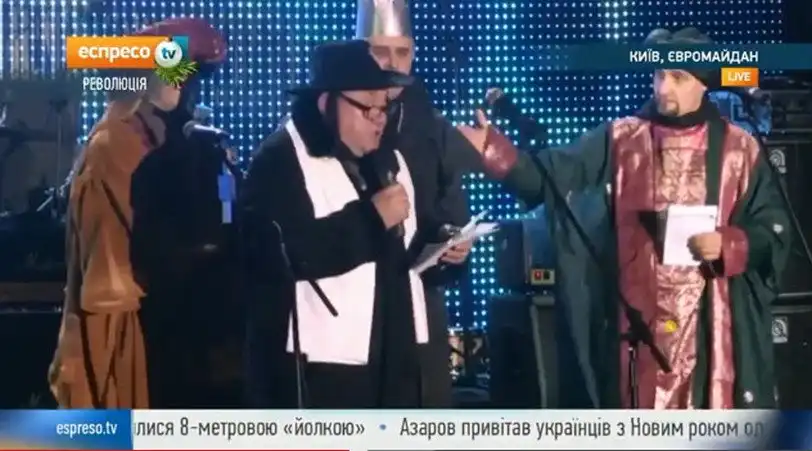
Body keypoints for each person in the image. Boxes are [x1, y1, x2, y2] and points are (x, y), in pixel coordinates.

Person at [456, 27, 791, 409]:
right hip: (638, 337)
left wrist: (728, 244)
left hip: (713, 335)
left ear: (703, 83)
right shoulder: (621, 140)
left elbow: (774, 231)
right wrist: (493, 151)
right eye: (659, 74)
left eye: (678, 77)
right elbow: (549, 179)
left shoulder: (740, 151)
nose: (664, 87)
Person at [243, 40, 467, 408]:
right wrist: (370, 219)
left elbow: (414, 244)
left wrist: (445, 247)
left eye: (384, 107)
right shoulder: (280, 159)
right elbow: (275, 258)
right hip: (324, 373)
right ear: (326, 103)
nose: (379, 118)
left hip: (398, 361)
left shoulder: (390, 160)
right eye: (367, 108)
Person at [48, 17, 228, 408]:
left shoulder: (163, 137)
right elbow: (154, 241)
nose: (190, 90)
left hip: (161, 325)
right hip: (122, 331)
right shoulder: (117, 142)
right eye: (182, 76)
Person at [356, 0, 479, 406]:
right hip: (358, 310)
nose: (393, 63)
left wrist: (453, 242)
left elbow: (450, 210)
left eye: (402, 52)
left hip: (421, 303)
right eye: (380, 51)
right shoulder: (335, 124)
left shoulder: (432, 127)